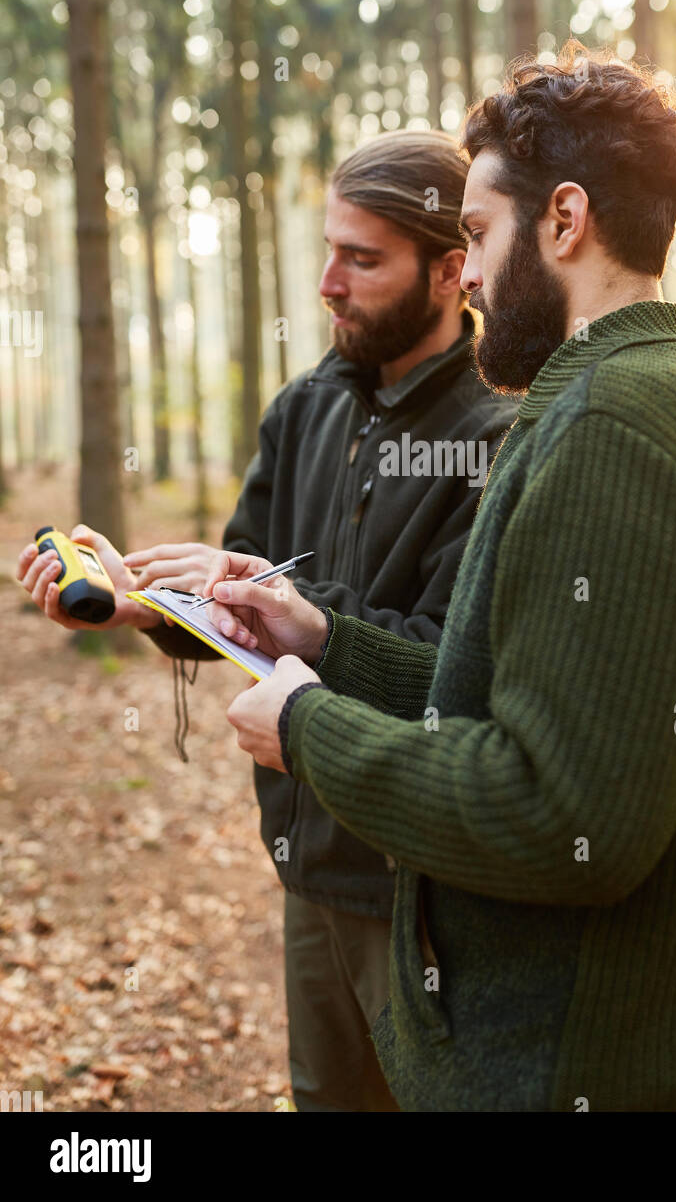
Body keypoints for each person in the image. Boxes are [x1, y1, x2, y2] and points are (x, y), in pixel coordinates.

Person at [204, 45, 676, 1112]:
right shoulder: (630, 395)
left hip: (579, 1070)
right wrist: (324, 642)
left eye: (475, 235)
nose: (464, 273)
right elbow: (509, 695)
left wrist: (309, 727)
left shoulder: (615, 428)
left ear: (562, 221)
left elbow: (558, 813)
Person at [16, 129, 517, 1113]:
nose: (327, 282)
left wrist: (300, 617)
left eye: (361, 259)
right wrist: (143, 605)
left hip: (430, 890)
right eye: (327, 249)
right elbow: (240, 609)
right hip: (307, 857)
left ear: (452, 268)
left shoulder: (499, 437)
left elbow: (452, 669)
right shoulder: (304, 409)